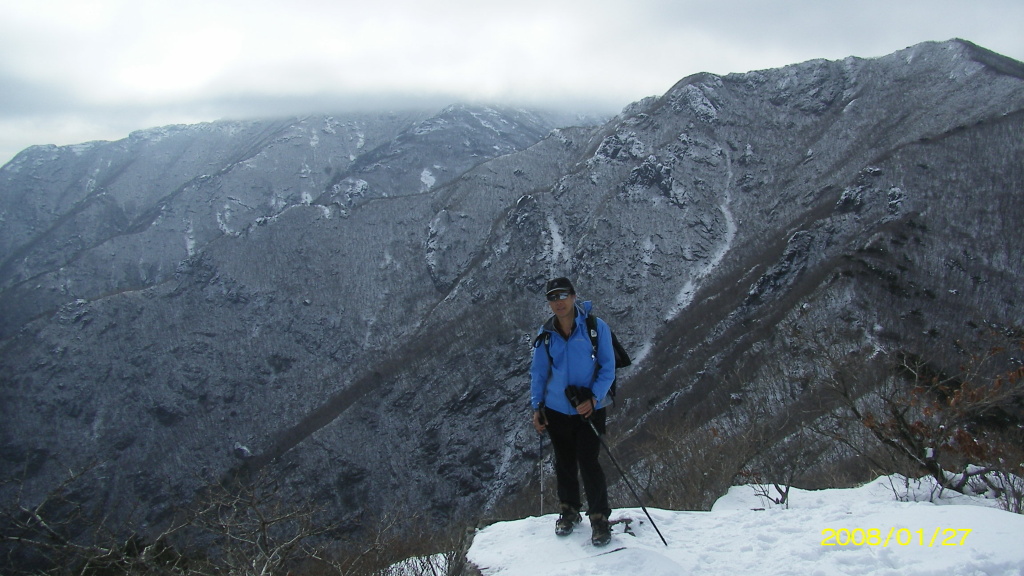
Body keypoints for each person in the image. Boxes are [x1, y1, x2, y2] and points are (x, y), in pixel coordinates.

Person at [530, 277, 616, 546]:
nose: (558, 302)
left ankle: (599, 517)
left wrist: (593, 398)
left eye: (563, 295)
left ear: (574, 296)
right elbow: (539, 373)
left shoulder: (595, 328)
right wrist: (537, 407)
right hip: (556, 409)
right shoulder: (546, 336)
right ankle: (569, 510)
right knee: (564, 460)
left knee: (588, 461)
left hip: (590, 409)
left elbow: (608, 368)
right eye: (552, 297)